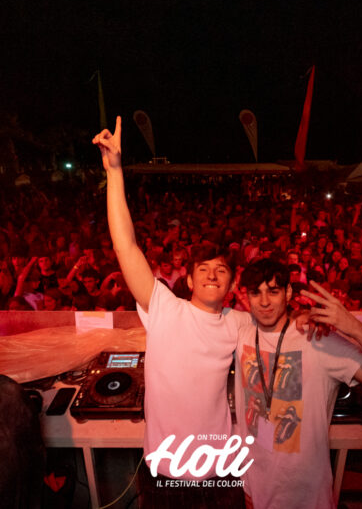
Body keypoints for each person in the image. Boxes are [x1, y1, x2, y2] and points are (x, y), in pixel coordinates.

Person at [93, 117, 251, 507]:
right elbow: (125, 246)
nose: (212, 275)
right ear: (189, 280)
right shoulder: (164, 307)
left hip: (220, 472)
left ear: (232, 285)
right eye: (203, 269)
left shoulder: (240, 322)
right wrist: (115, 172)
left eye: (221, 270)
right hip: (166, 475)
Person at [235, 258, 362, 509]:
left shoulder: (319, 340)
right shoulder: (241, 333)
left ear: (288, 293)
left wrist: (359, 330)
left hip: (306, 497)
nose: (264, 301)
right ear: (246, 296)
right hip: (253, 489)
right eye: (256, 293)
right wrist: (246, 483)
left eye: (273, 291)